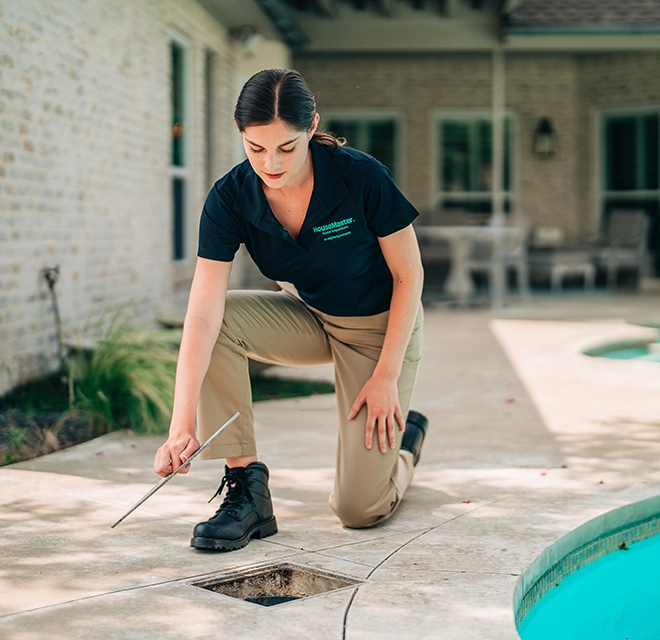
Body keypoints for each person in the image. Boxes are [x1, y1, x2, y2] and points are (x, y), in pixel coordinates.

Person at [153, 68, 428, 552]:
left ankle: (404, 445)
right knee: (222, 322)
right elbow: (201, 313)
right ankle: (246, 491)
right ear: (240, 134)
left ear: (312, 127)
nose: (271, 164)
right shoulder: (229, 197)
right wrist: (182, 424)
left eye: (287, 148)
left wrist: (385, 376)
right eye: (256, 149)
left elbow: (410, 278)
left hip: (378, 330)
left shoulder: (360, 176)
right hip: (308, 317)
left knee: (359, 510)